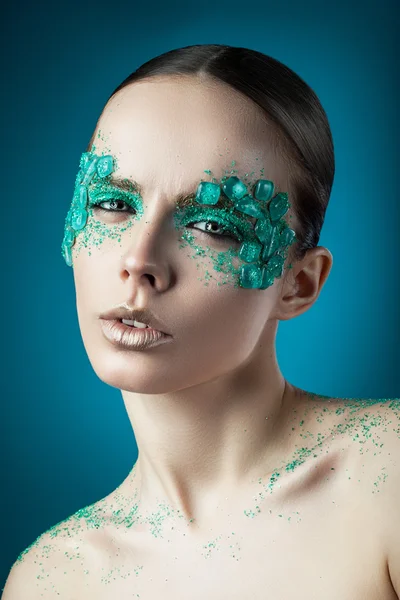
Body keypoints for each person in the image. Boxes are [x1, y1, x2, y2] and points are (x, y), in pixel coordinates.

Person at [3, 43, 399, 599]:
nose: (139, 261)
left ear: (299, 282)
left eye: (213, 224)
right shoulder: (50, 580)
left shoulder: (386, 476)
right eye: (113, 203)